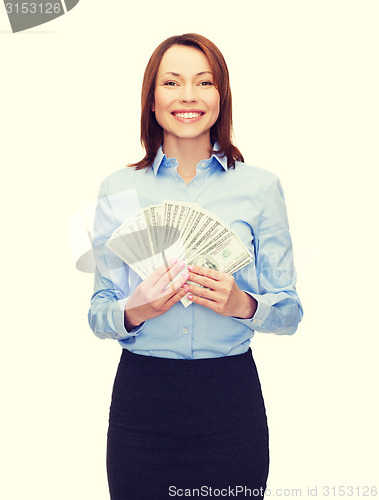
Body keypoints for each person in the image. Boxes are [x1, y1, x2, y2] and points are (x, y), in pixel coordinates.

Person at [88, 33, 303, 500]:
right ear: (151, 98)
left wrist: (242, 304)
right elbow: (98, 310)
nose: (188, 96)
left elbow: (289, 311)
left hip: (231, 404)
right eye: (172, 82)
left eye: (203, 82)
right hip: (142, 403)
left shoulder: (261, 188)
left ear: (221, 96)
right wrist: (135, 309)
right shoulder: (117, 189)